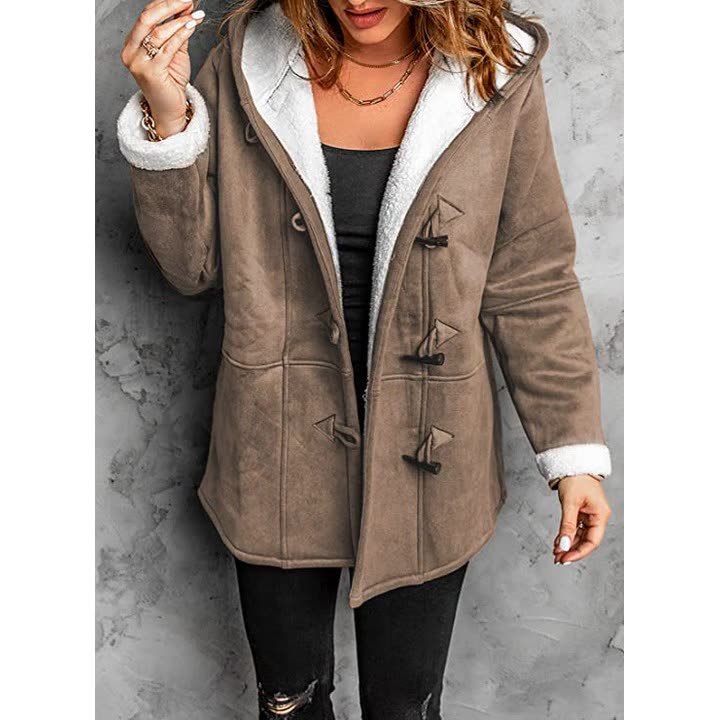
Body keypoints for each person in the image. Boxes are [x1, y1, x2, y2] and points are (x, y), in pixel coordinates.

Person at [117, 1, 614, 717]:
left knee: (405, 706)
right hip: (274, 446)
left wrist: (574, 458)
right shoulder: (248, 63)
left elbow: (532, 281)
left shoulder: (496, 74)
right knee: (289, 702)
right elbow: (192, 268)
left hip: (432, 452)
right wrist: (167, 115)